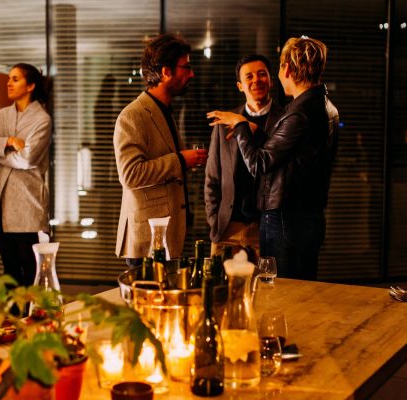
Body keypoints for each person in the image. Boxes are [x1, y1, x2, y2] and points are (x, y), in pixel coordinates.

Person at [207, 37, 339, 280]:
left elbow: (259, 164)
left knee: (282, 295)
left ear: (286, 68)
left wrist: (240, 125)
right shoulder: (326, 107)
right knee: (300, 291)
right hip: (306, 218)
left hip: (286, 221)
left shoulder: (297, 114)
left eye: (276, 68)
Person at [114, 33, 207, 268]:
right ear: (166, 72)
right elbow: (130, 175)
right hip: (146, 240)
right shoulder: (133, 115)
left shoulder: (164, 110)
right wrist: (180, 160)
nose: (191, 74)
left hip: (166, 237)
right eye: (186, 67)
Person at [204, 54, 284, 258]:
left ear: (271, 80)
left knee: (267, 289)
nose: (256, 80)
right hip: (227, 226)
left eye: (261, 74)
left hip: (265, 226)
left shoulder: (285, 120)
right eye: (249, 77)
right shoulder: (224, 122)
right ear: (240, 86)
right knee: (219, 288)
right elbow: (212, 178)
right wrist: (214, 220)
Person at [0, 63, 51, 286]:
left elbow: (28, 159)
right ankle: (12, 318)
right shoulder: (3, 115)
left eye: (15, 79)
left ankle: (30, 318)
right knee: (9, 269)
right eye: (9, 78)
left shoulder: (42, 120)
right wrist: (9, 142)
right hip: (0, 204)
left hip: (26, 205)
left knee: (30, 269)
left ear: (30, 86)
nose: (8, 83)